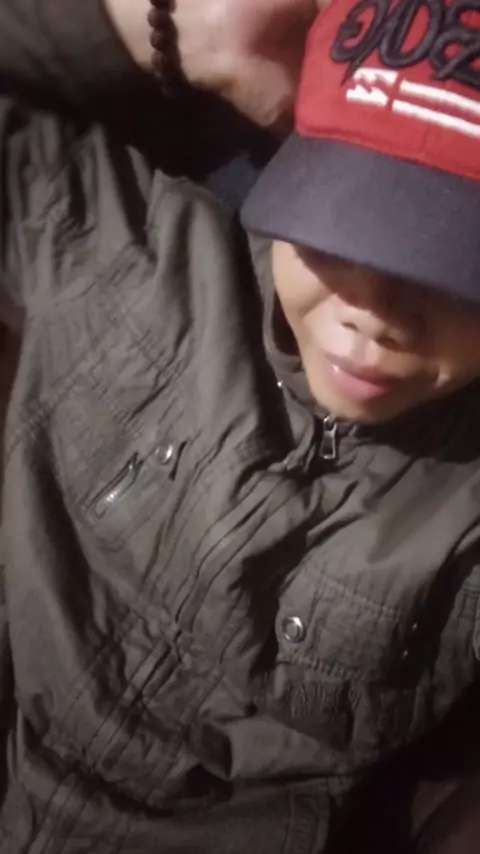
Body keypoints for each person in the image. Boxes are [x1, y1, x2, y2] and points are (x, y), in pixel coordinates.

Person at [1, 0, 480, 852]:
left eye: (456, 269)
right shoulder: (134, 252)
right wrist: (175, 30)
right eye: (344, 224)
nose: (373, 315)